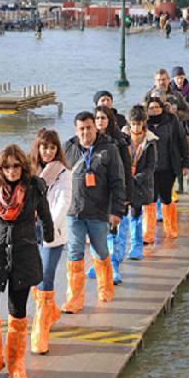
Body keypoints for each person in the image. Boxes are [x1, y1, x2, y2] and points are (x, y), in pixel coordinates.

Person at [0, 144, 54, 378]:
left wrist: (49, 236)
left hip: (23, 256)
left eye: (16, 165)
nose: (12, 170)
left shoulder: (35, 187)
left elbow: (45, 215)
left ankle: (16, 362)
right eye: (7, 166)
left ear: (23, 166)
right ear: (0, 168)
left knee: (17, 311)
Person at [61, 111, 127, 314]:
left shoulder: (108, 149)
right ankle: (74, 299)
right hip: (74, 212)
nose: (85, 132)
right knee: (74, 253)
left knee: (100, 251)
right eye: (81, 128)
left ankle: (105, 288)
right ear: (76, 130)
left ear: (95, 128)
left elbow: (118, 182)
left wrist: (117, 211)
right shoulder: (69, 148)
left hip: (99, 212)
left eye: (89, 127)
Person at [28, 129, 72, 355]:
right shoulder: (28, 171)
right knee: (34, 277)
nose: (48, 151)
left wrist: (49, 227)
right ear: (38, 147)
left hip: (52, 233)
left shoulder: (64, 172)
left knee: (45, 278)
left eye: (52, 147)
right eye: (44, 147)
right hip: (29, 232)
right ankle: (51, 312)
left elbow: (64, 202)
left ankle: (40, 331)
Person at [86, 105, 133, 284]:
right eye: (97, 118)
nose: (100, 121)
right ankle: (97, 263)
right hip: (94, 192)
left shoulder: (119, 142)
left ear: (110, 120)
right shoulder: (88, 141)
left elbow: (127, 170)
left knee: (112, 230)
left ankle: (113, 265)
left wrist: (127, 194)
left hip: (113, 190)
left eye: (103, 118)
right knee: (94, 229)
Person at [144, 97, 188, 242]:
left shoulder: (171, 120)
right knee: (150, 200)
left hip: (168, 167)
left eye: (157, 107)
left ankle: (171, 230)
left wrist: (185, 163)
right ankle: (148, 234)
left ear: (162, 108)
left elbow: (182, 140)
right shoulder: (144, 123)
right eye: (151, 108)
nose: (155, 110)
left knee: (167, 198)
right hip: (150, 169)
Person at [120, 105, 158, 260]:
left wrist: (136, 178)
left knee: (136, 214)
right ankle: (118, 251)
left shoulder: (150, 141)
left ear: (144, 123)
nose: (136, 126)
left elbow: (151, 166)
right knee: (121, 216)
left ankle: (136, 247)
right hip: (122, 183)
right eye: (133, 123)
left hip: (139, 184)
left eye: (139, 123)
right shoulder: (121, 139)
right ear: (129, 123)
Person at [169, 66, 189, 194]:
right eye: (177, 78)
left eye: (182, 77)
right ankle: (179, 183)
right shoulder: (169, 91)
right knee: (175, 155)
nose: (180, 80)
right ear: (173, 78)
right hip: (173, 128)